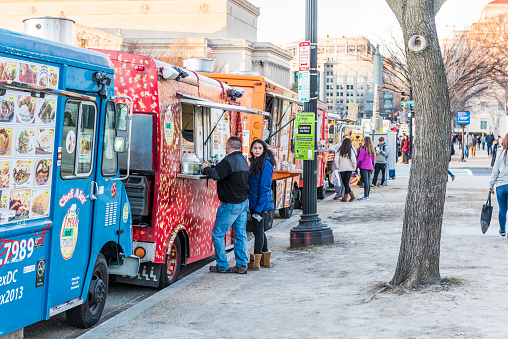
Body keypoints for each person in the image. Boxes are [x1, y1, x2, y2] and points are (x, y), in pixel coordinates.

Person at [202, 137, 250, 274]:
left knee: (217, 233)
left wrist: (205, 168)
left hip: (231, 204)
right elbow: (223, 173)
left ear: (228, 146)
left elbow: (216, 175)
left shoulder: (229, 160)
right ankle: (242, 265)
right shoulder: (243, 159)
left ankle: (222, 265)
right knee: (240, 234)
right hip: (242, 202)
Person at [247, 139, 276, 271]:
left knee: (257, 231)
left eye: (259, 148)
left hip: (260, 204)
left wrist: (258, 208)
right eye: (255, 148)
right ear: (251, 150)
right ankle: (265, 261)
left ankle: (255, 262)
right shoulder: (254, 162)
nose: (257, 150)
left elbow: (265, 188)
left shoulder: (266, 165)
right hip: (255, 202)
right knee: (259, 230)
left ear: (264, 150)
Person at [489, 134, 508, 237]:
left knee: (502, 209)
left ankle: (502, 230)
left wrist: (491, 186)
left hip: (501, 185)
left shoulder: (500, 154)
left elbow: (495, 172)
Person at [356, 136, 376, 201]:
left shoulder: (363, 149)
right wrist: (372, 168)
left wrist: (356, 167)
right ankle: (367, 195)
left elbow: (360, 159)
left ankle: (365, 196)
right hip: (370, 167)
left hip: (364, 167)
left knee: (365, 182)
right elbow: (373, 160)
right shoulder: (372, 150)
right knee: (368, 182)